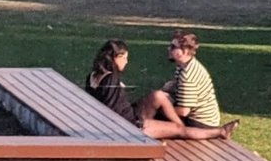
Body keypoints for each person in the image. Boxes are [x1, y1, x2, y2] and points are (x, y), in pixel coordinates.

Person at [86, 38, 235, 141]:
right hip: (131, 126)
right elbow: (111, 110)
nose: (127, 61)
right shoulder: (111, 78)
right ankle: (220, 132)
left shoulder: (94, 75)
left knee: (158, 96)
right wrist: (134, 126)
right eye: (124, 57)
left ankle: (176, 126)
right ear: (116, 57)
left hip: (130, 115)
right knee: (178, 130)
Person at [136, 31, 238, 140]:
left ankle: (143, 129)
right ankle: (139, 125)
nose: (168, 49)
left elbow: (184, 111)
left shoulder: (188, 75)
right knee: (156, 96)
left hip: (199, 123)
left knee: (155, 111)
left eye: (173, 47)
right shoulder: (184, 65)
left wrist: (164, 107)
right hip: (192, 115)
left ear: (184, 51)